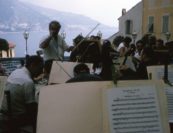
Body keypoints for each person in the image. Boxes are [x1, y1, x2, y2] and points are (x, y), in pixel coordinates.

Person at [0, 55, 44, 133]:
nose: (41, 71)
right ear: (32, 65)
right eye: (40, 68)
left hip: (4, 114)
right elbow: (31, 111)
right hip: (16, 118)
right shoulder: (28, 82)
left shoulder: (16, 72)